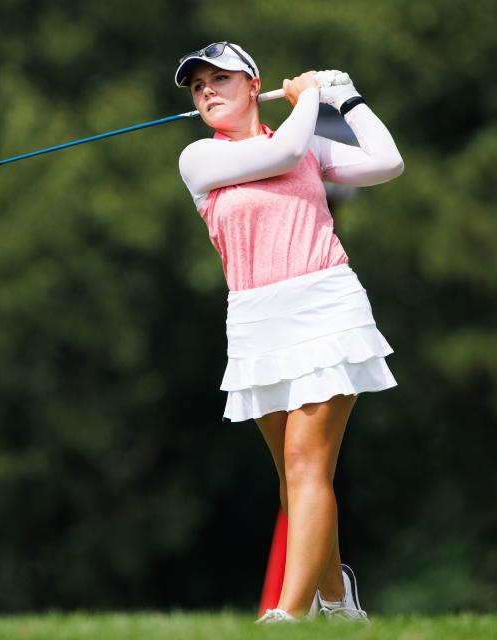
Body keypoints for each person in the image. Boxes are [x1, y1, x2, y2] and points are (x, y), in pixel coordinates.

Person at [174, 42, 404, 624]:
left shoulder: (308, 143)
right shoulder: (199, 158)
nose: (206, 91)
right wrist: (308, 99)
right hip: (255, 319)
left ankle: (288, 616)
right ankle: (337, 599)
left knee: (305, 465)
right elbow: (282, 152)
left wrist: (346, 99)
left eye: (220, 79)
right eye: (198, 86)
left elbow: (388, 161)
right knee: (292, 476)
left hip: (325, 305)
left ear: (254, 86)